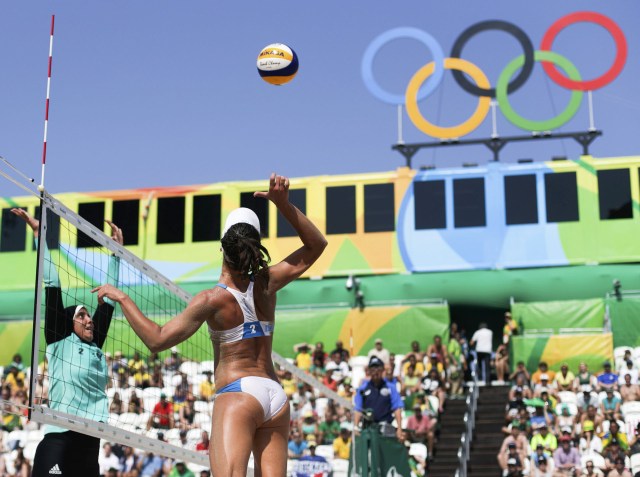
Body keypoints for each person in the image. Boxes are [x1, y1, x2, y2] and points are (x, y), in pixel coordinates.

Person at [92, 173, 327, 477]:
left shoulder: (212, 300)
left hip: (239, 393)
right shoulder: (268, 282)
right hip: (275, 395)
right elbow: (316, 245)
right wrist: (283, 205)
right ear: (256, 247)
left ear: (222, 247)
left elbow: (157, 340)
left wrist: (123, 298)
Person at [12, 208, 124, 477]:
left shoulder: (95, 345)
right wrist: (40, 234)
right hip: (59, 437)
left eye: (89, 315)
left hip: (90, 441)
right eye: (81, 315)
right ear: (68, 323)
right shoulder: (59, 340)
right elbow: (52, 281)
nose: (89, 320)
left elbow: (109, 297)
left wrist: (116, 255)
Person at [354, 356, 404, 441]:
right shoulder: (363, 388)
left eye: (378, 368)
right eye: (372, 369)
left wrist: (399, 429)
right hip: (368, 428)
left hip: (386, 427)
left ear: (382, 370)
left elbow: (397, 408)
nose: (375, 372)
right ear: (369, 371)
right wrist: (355, 427)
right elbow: (358, 409)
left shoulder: (390, 388)